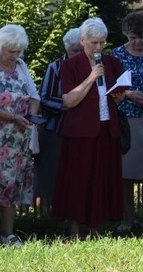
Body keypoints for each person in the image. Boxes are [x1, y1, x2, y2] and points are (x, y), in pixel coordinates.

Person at [52, 17, 126, 239]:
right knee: (78, 179)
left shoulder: (111, 63)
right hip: (80, 134)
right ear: (82, 40)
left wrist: (121, 94)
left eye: (102, 43)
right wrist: (91, 77)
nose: (99, 47)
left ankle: (95, 228)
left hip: (106, 130)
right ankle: (74, 229)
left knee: (101, 178)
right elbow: (69, 101)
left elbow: (115, 97)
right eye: (94, 43)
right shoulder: (70, 65)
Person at [111, 12, 143, 236]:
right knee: (126, 175)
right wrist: (129, 93)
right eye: (133, 37)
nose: (138, 42)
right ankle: (127, 220)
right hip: (126, 121)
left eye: (141, 36)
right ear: (126, 35)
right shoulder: (116, 55)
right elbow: (110, 89)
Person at [0, 25, 41, 246]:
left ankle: (8, 234)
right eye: (10, 51)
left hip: (18, 141)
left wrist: (32, 113)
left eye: (18, 51)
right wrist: (13, 117)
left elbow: (34, 96)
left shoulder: (21, 67)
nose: (14, 56)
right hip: (2, 136)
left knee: (11, 186)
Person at [36, 28, 82, 207]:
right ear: (66, 49)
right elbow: (44, 97)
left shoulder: (89, 67)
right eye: (73, 51)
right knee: (53, 173)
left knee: (76, 174)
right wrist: (67, 104)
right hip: (56, 127)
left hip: (81, 129)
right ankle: (53, 214)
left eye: (80, 50)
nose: (77, 54)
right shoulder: (56, 67)